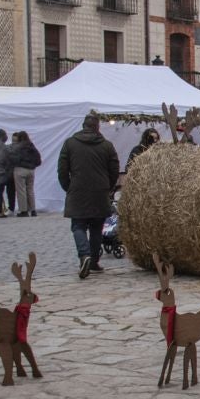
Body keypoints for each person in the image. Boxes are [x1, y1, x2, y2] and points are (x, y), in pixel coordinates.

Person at [58, 113, 121, 279]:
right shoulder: (106, 146)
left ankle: (84, 255)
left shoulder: (70, 144)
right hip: (100, 191)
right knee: (96, 227)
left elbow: (62, 169)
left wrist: (68, 187)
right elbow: (114, 169)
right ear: (97, 127)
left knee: (78, 226)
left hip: (78, 189)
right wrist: (108, 187)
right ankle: (93, 261)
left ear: (83, 126)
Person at [9, 131, 41, 216]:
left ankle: (24, 211)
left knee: (21, 190)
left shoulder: (18, 147)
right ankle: (33, 210)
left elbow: (13, 159)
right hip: (31, 170)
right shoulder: (31, 146)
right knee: (30, 190)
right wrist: (33, 165)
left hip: (20, 169)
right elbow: (38, 159)